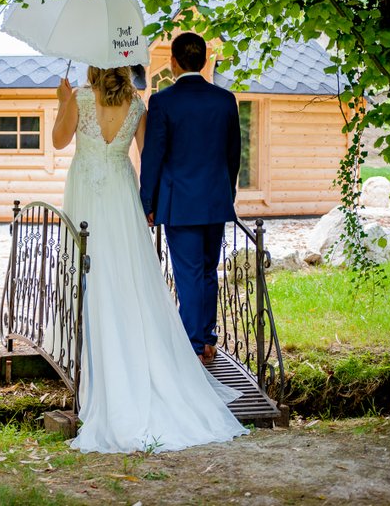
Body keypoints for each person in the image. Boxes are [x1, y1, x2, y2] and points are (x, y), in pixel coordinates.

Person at [52, 64, 248, 454]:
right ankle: (131, 345)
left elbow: (59, 141)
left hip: (86, 189)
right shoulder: (137, 104)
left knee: (90, 267)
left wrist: (62, 101)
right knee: (127, 272)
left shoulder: (80, 98)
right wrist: (154, 200)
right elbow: (149, 155)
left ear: (93, 65)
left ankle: (95, 354)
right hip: (121, 191)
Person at [139, 32, 242, 366]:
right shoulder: (225, 100)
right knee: (208, 271)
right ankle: (207, 339)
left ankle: (194, 345)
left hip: (180, 203)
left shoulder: (163, 102)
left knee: (188, 275)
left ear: (173, 62)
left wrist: (147, 202)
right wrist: (229, 193)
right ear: (205, 60)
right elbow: (233, 156)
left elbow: (153, 157)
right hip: (215, 200)